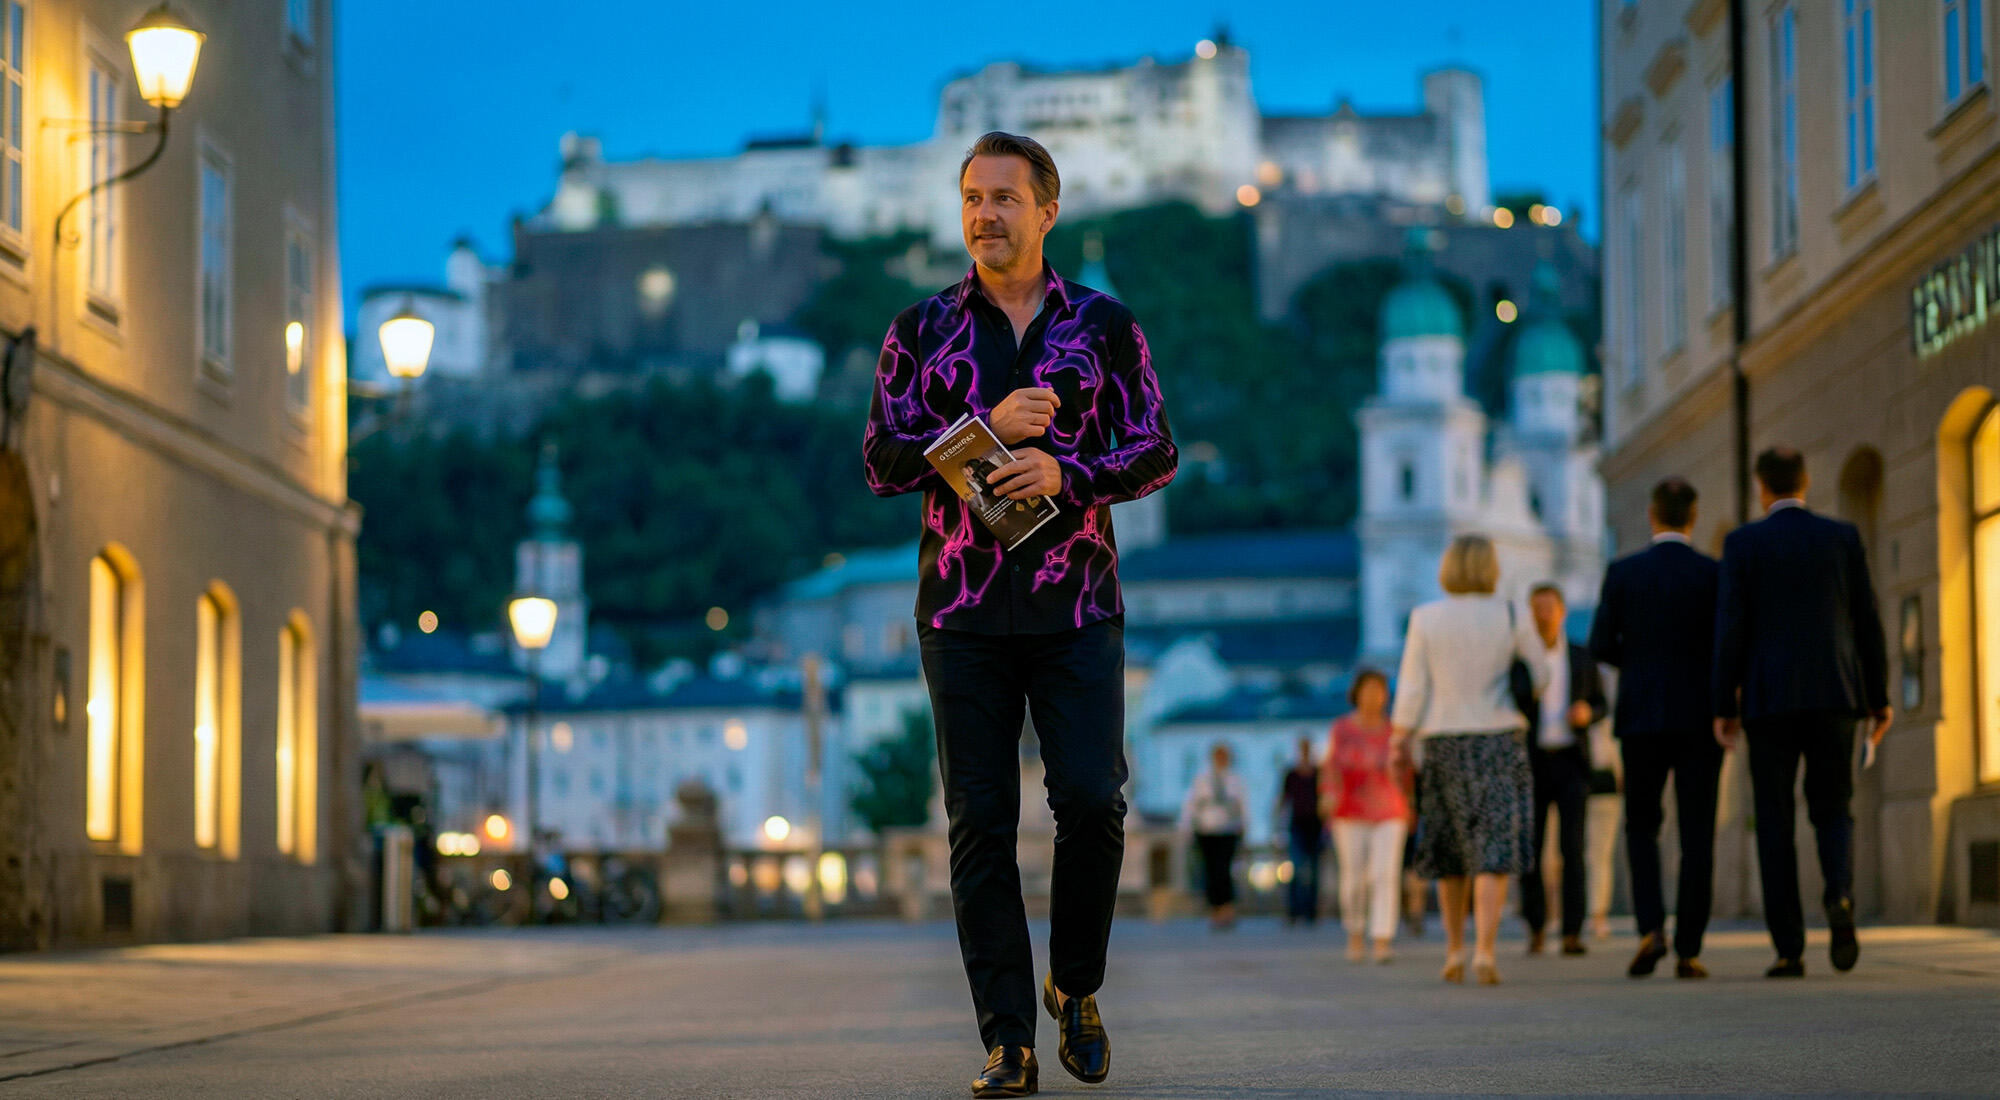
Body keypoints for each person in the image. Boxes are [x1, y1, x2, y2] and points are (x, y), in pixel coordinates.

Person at [863, 131, 1177, 1097]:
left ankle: (1073, 985)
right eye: (972, 197)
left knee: (1091, 799)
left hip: (1077, 602)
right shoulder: (919, 330)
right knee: (979, 823)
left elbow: (1156, 450)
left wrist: (1066, 473)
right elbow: (881, 459)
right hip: (959, 613)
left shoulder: (1106, 327)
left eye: (1004, 197)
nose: (985, 214)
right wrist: (982, 431)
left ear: (1047, 211)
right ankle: (1008, 1042)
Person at [1714, 447, 1890, 979]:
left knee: (1774, 817)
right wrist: (1878, 697)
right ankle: (1839, 894)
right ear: (1806, 482)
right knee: (1833, 806)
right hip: (1836, 692)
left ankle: (1789, 947)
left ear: (1761, 487)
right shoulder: (1842, 537)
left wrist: (1724, 704)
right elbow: (1867, 620)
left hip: (1768, 700)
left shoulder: (1743, 543)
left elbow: (1731, 629)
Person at [1392, 534, 1545, 986]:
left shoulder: (1425, 617)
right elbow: (1542, 674)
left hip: (1443, 740)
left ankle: (1454, 948)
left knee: (1450, 850)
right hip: (1499, 738)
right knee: (1492, 850)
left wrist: (1399, 738)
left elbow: (1412, 686)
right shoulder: (1512, 614)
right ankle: (1485, 950)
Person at [1589, 476, 1724, 979]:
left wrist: (1640, 665)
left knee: (1642, 826)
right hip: (1699, 717)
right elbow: (1727, 643)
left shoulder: (1624, 572)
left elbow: (1600, 644)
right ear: (1694, 517)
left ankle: (1651, 929)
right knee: (1697, 833)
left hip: (1641, 715)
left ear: (1652, 515)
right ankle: (1689, 948)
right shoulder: (1713, 573)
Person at [1511, 583, 1607, 958]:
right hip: (1532, 762)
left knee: (1573, 849)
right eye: (1536, 608)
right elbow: (1511, 701)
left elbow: (1602, 703)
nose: (1543, 615)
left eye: (1549, 607)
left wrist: (1588, 713)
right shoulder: (1520, 660)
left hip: (1571, 761)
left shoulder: (1582, 656)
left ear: (1562, 612)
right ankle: (1536, 926)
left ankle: (1572, 931)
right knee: (1531, 850)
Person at [1323, 667, 1411, 963]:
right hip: (1350, 810)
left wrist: (1410, 802)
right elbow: (1330, 767)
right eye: (1368, 689)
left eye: (1379, 690)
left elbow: (1408, 771)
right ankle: (1356, 931)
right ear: (1357, 694)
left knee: (1385, 874)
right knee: (1354, 876)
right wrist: (1328, 794)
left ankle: (1382, 938)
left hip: (1390, 809)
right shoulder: (1341, 729)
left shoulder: (1395, 731)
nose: (1374, 696)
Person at [1181, 742, 1248, 931]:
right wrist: (1187, 828)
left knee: (1224, 870)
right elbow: (1191, 804)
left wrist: (1244, 827)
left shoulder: (1235, 780)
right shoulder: (1202, 779)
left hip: (1228, 829)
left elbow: (1243, 805)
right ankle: (1215, 909)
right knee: (1210, 871)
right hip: (1207, 829)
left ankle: (1227, 908)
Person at [1275, 736, 1326, 927]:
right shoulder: (1291, 774)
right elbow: (1283, 799)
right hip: (1297, 825)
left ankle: (1310, 911)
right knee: (1295, 868)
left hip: (1315, 826)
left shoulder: (1318, 773)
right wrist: (1278, 825)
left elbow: (1325, 797)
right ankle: (1294, 910)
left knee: (1314, 870)